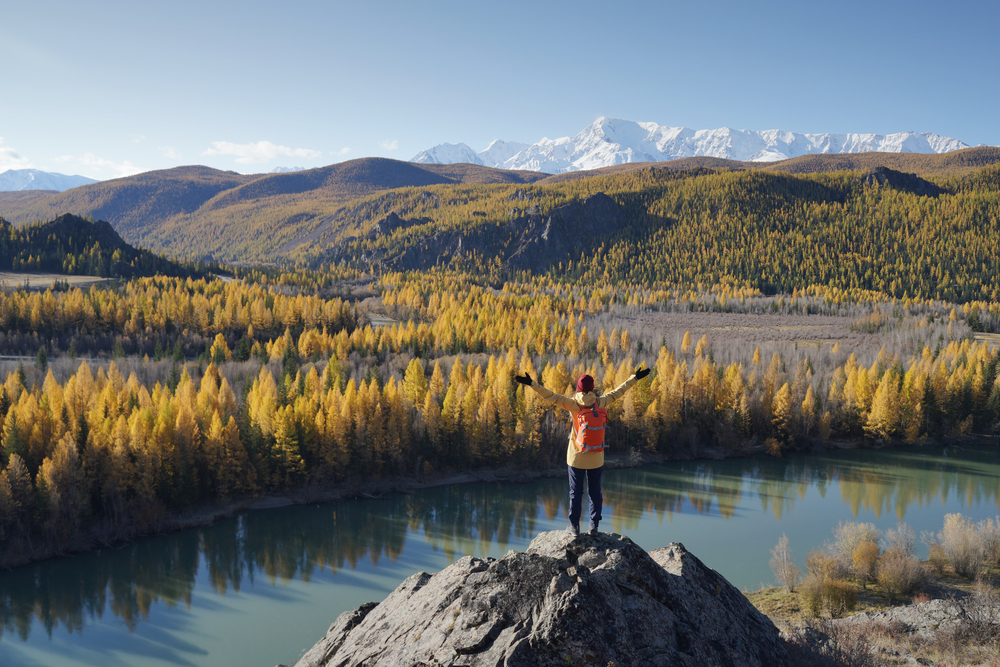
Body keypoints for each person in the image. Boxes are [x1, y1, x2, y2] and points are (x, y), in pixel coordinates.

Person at [514, 367, 650, 535]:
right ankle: (593, 526)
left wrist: (532, 383)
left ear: (578, 389)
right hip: (596, 457)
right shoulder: (600, 402)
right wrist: (635, 377)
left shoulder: (573, 404)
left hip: (576, 457)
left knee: (575, 492)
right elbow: (619, 391)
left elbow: (549, 395)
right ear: (592, 388)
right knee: (595, 492)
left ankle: (574, 526)